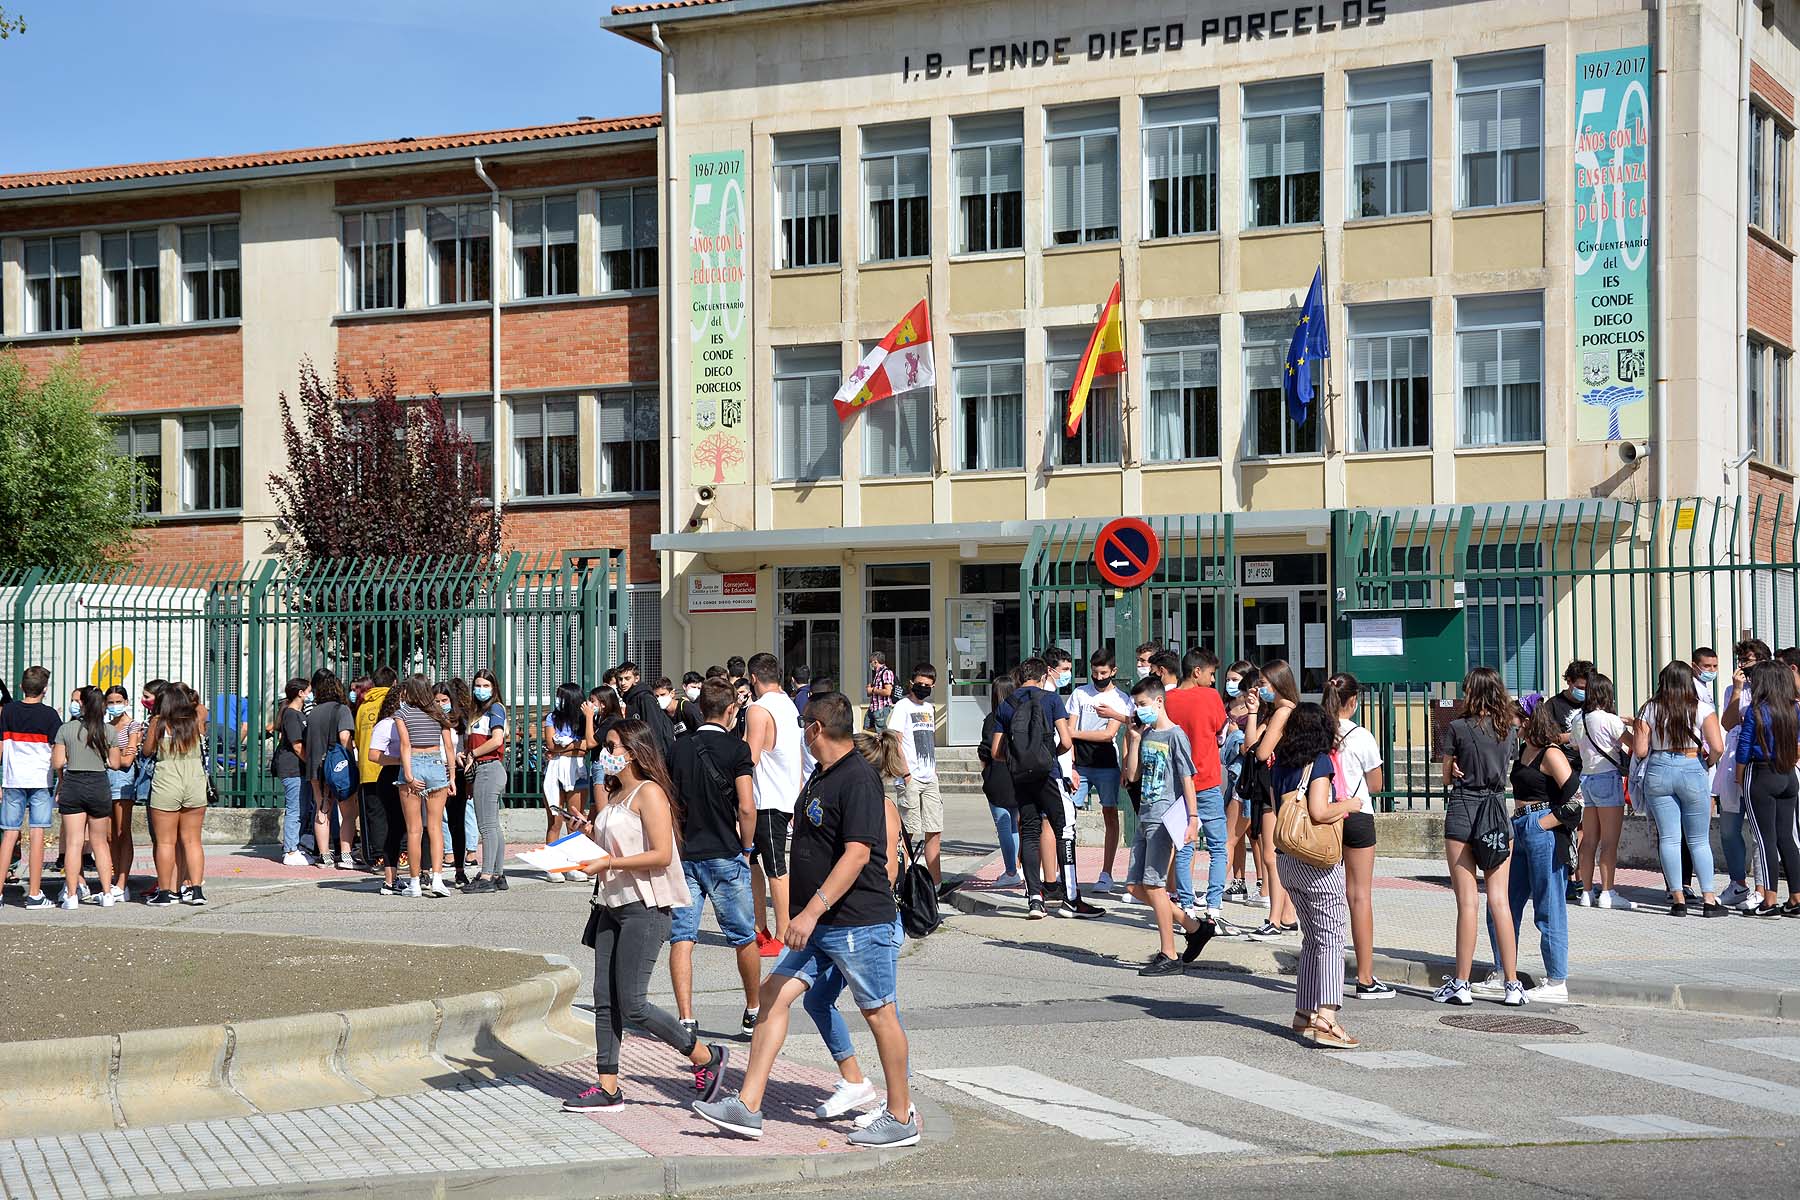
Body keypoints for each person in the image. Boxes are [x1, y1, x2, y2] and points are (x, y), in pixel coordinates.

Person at [692, 691, 918, 1149]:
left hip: (857, 922)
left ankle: (900, 1115)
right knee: (773, 996)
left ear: (816, 728)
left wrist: (810, 909)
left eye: (802, 727)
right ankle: (748, 1106)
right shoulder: (822, 773)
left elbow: (857, 854)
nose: (799, 735)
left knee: (879, 1013)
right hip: (820, 925)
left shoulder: (857, 779)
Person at [561, 719, 729, 1113]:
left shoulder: (649, 792)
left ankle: (706, 1056)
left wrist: (610, 860)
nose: (607, 752)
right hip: (610, 905)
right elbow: (610, 846)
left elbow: (662, 854)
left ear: (634, 751)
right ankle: (608, 1087)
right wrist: (585, 833)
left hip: (645, 907)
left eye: (614, 746)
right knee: (605, 998)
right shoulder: (617, 794)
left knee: (633, 1004)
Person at [666, 678, 763, 1037]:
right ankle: (753, 1009)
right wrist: (748, 846)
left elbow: (669, 803)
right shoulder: (737, 750)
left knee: (682, 937)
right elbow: (748, 807)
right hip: (725, 852)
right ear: (730, 710)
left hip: (687, 853)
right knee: (743, 937)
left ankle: (686, 1018)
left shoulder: (678, 748)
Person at [1268, 702, 1361, 1047]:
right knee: (1332, 938)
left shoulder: (1281, 763)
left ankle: (1303, 1012)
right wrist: (1348, 806)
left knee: (1312, 938)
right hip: (1316, 862)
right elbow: (1320, 812)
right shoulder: (1319, 762)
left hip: (1287, 859)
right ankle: (1327, 1016)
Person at [1433, 666, 1524, 1006]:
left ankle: (1461, 983)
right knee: (1500, 900)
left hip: (1463, 811)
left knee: (1467, 902)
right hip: (1497, 812)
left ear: (1470, 691)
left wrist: (1453, 766)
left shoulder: (1456, 727)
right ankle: (1512, 984)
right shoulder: (1508, 730)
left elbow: (1445, 777)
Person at [1485, 700, 1581, 1004]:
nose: (1511, 724)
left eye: (1515, 719)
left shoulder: (1550, 753)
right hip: (1521, 828)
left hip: (1542, 831)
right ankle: (1503, 970)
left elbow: (1575, 801)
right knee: (1502, 904)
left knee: (1548, 907)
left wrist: (1542, 825)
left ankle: (1556, 979)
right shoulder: (1523, 749)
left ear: (1528, 720)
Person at [1120, 676, 1216, 976]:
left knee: (1155, 885)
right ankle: (1194, 927)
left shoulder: (1176, 736)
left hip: (1164, 819)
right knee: (1136, 887)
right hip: (1145, 815)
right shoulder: (1146, 734)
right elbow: (1132, 776)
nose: (1139, 710)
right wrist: (1134, 739)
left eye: (1143, 704)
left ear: (1159, 701)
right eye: (1136, 705)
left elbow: (1188, 778)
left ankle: (1169, 953)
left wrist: (1193, 818)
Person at [1633, 660, 1727, 916]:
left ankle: (1678, 899)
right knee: (1698, 840)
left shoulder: (1648, 709)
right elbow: (1718, 747)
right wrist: (1705, 764)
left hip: (1659, 769)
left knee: (1669, 838)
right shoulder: (1702, 708)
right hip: (1691, 765)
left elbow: (1641, 750)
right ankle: (1709, 899)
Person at [1320, 672, 1393, 999]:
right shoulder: (1361, 736)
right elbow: (1376, 785)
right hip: (1357, 815)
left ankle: (1324, 972)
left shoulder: (1316, 730)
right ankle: (1365, 976)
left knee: (1325, 897)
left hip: (1324, 817)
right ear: (1353, 702)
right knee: (1359, 896)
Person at [992, 658, 1076, 919]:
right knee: (1063, 829)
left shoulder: (1007, 704)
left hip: (1021, 778)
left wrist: (1018, 760)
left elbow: (996, 752)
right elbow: (1066, 740)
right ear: (1042, 677)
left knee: (1029, 833)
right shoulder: (1051, 700)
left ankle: (1035, 899)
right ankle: (1070, 897)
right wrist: (1049, 755)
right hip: (1047, 774)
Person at [1162, 648, 1233, 926]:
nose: (1214, 680)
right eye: (1212, 674)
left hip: (1179, 784)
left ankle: (1186, 906)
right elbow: (1219, 728)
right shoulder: (1210, 696)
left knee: (1184, 847)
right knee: (1217, 847)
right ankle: (1214, 907)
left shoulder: (1168, 700)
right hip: (1207, 781)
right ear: (1197, 672)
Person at [746, 651, 803, 956]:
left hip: (765, 798)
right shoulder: (788, 704)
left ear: (753, 678)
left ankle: (781, 931)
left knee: (775, 867)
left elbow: (749, 757)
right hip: (784, 795)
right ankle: (760, 927)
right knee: (754, 861)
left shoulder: (758, 708)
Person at [1734, 661, 1800, 917]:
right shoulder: (1794, 709)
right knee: (1788, 839)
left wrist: (1739, 779)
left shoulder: (1757, 711)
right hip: (1787, 775)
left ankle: (1769, 900)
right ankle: (1795, 897)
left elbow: (1744, 748)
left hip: (1761, 773)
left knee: (1764, 840)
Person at [1244, 659, 1301, 940]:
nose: (1259, 689)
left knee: (1273, 855)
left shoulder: (1283, 712)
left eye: (1263, 684)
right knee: (1278, 854)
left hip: (1276, 789)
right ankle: (1287, 915)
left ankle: (1275, 919)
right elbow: (1249, 744)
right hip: (1275, 787)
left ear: (1278, 684)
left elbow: (1261, 752)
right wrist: (1253, 712)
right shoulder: (1279, 710)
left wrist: (1261, 733)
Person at [1570, 673, 1631, 909]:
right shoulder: (1610, 720)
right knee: (1609, 841)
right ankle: (1608, 891)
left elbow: (1576, 745)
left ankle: (1586, 892)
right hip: (1607, 778)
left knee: (1588, 839)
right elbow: (1634, 744)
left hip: (1585, 779)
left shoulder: (1578, 719)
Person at [1, 666, 61, 909]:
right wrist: (61, 778)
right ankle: (35, 893)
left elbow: (2, 746)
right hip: (39, 780)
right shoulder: (50, 716)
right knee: (37, 834)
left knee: (9, 834)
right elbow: (57, 751)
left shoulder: (8, 711)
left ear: (20, 687)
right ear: (45, 690)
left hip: (13, 779)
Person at [145, 684, 209, 906]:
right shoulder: (195, 720)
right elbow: (201, 708)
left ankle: (165, 892)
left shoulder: (158, 722)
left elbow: (147, 750)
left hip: (167, 780)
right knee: (192, 841)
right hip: (194, 781)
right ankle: (196, 889)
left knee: (165, 842)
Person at [52, 686, 116, 909]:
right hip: (99, 783)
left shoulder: (66, 729)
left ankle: (71, 895)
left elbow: (58, 762)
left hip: (73, 783)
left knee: (73, 842)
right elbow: (115, 764)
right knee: (100, 842)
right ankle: (107, 893)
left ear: (82, 704)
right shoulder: (108, 731)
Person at [1069, 650, 1126, 892]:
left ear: (1113, 671)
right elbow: (1068, 728)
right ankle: (1066, 871)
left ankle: (1106, 873)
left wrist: (1075, 734)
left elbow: (1108, 734)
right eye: (1094, 672)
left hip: (1106, 764)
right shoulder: (1080, 693)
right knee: (1066, 817)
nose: (1098, 677)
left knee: (1110, 814)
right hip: (1079, 764)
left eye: (1103, 672)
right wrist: (1070, 764)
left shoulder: (1120, 699)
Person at [396, 674, 457, 899]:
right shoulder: (438, 713)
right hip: (435, 764)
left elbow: (404, 745)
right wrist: (451, 777)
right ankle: (438, 880)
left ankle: (414, 883)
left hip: (413, 762)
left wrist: (409, 775)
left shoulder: (402, 713)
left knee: (414, 829)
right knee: (436, 828)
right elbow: (448, 748)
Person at [1712, 642, 1762, 911]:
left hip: (1758, 763)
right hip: (1733, 762)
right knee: (1729, 829)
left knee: (1759, 832)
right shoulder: (1733, 688)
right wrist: (1738, 691)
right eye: (1740, 659)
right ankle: (1737, 883)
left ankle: (1761, 888)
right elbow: (1728, 722)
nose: (1743, 664)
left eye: (1748, 660)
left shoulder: (1772, 688)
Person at [885, 662, 943, 885]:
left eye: (927, 685)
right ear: (911, 683)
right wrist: (906, 774)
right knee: (908, 832)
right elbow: (895, 741)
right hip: (911, 778)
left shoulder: (929, 709)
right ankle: (900, 880)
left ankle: (936, 884)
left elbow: (928, 741)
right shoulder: (902, 706)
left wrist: (934, 771)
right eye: (919, 684)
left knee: (934, 830)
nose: (923, 688)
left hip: (929, 777)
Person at [302, 670, 356, 870]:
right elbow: (344, 738)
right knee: (348, 812)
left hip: (316, 767)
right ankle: (346, 855)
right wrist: (350, 759)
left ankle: (324, 856)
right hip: (338, 766)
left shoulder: (313, 712)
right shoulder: (342, 710)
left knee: (322, 810)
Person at [462, 669, 510, 893]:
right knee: (493, 825)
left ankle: (487, 875)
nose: (480, 690)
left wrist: (474, 753)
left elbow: (497, 739)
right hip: (487, 769)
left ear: (493, 688)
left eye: (485, 686)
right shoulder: (478, 713)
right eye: (478, 685)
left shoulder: (495, 708)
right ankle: (498, 874)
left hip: (489, 768)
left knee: (487, 826)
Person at [542, 683, 595, 882]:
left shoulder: (583, 720)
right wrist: (566, 748)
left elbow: (586, 747)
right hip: (555, 771)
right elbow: (550, 744)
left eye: (562, 696)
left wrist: (560, 748)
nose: (559, 700)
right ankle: (553, 866)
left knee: (575, 821)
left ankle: (573, 865)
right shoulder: (552, 718)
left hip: (577, 771)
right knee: (555, 821)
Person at [366, 688, 416, 896]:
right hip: (391, 776)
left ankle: (412, 874)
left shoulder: (411, 722)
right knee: (394, 827)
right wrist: (400, 760)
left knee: (410, 827)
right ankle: (389, 879)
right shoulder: (386, 725)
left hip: (410, 774)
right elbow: (373, 754)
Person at [102, 684, 144, 902]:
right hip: (104, 781)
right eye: (111, 702)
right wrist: (117, 756)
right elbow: (117, 756)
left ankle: (122, 881)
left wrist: (112, 758)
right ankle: (113, 877)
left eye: (119, 701)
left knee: (122, 831)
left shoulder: (133, 726)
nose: (115, 706)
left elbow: (128, 760)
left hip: (124, 781)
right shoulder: (106, 726)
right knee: (108, 835)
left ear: (126, 702)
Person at [1222, 663, 1260, 903]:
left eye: (1235, 679)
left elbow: (1250, 747)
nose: (1230, 683)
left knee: (1253, 836)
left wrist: (1235, 734)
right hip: (1231, 775)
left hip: (1248, 779)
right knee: (1237, 836)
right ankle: (1238, 881)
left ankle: (1262, 883)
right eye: (1228, 678)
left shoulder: (1255, 712)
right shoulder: (1226, 706)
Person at [979, 676, 1021, 886]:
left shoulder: (993, 718)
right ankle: (1015, 869)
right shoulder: (1022, 716)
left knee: (1004, 824)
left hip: (998, 776)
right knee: (1014, 824)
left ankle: (1011, 871)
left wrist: (985, 773)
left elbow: (985, 751)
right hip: (1019, 774)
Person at [354, 667, 397, 869]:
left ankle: (379, 857)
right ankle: (401, 854)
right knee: (396, 813)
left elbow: (358, 739)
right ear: (394, 683)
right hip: (390, 766)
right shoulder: (394, 705)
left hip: (367, 768)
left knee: (375, 815)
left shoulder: (363, 707)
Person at [272, 678, 310, 866]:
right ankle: (290, 850)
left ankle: (295, 844)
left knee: (302, 808)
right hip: (292, 769)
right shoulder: (291, 715)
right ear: (301, 693)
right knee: (295, 809)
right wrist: (311, 763)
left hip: (298, 769)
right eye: (308, 691)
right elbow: (297, 746)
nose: (310, 695)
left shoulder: (298, 714)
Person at [618, 661, 676, 760]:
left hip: (653, 756)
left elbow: (654, 730)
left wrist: (654, 759)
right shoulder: (630, 699)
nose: (623, 683)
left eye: (627, 678)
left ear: (636, 679)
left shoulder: (646, 698)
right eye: (620, 679)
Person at [864, 651, 896, 732]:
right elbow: (873, 692)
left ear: (875, 661)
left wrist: (873, 690)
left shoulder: (886, 672)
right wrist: (869, 690)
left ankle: (884, 743)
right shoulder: (877, 674)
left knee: (881, 731)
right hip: (873, 707)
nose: (871, 665)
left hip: (881, 707)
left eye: (871, 662)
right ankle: (876, 742)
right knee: (867, 726)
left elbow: (887, 691)